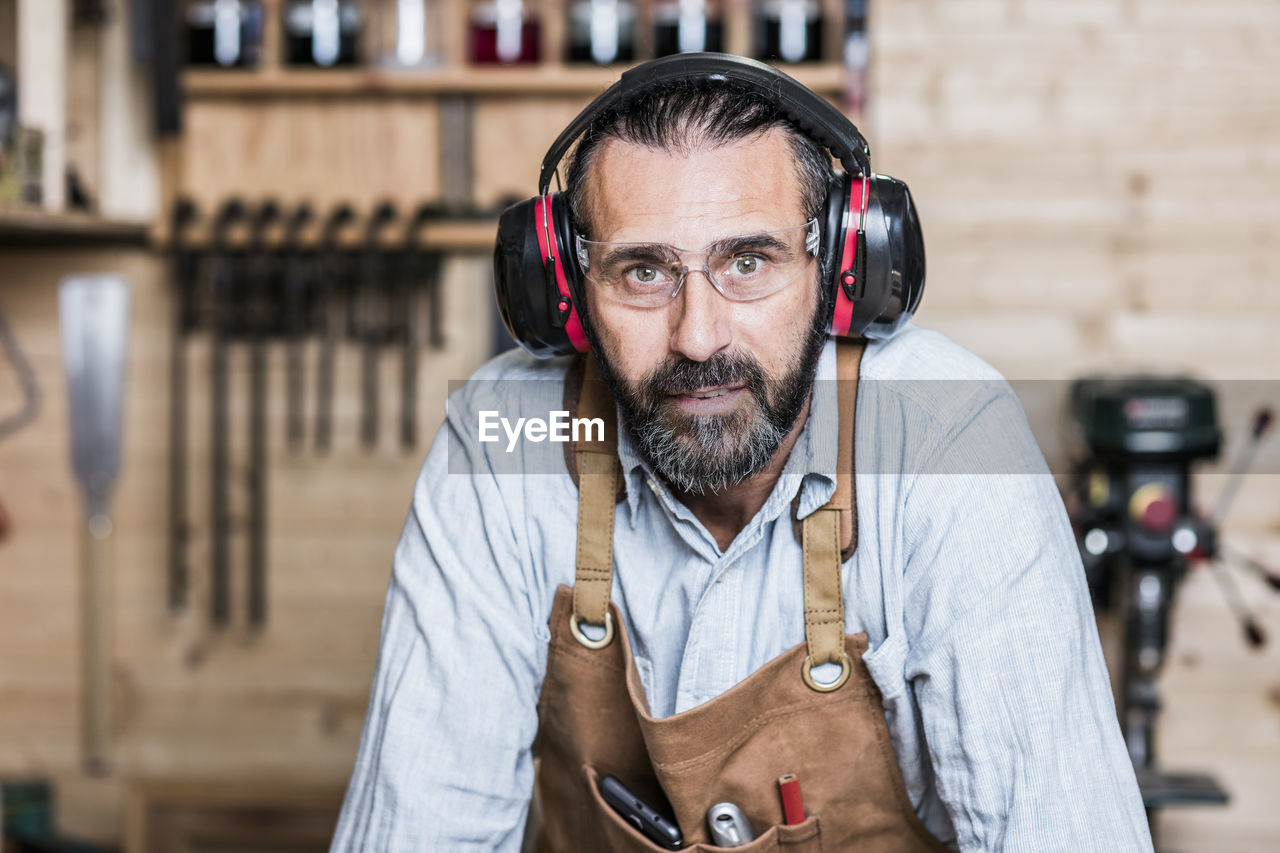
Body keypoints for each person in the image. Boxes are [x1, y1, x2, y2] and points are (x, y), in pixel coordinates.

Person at [331, 54, 1153, 852]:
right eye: (643, 271)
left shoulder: (947, 437)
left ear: (840, 268)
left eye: (749, 262)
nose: (698, 336)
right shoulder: (500, 440)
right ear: (568, 293)